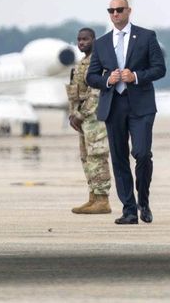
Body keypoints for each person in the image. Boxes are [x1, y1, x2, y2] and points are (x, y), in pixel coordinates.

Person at [86, 0, 166, 225]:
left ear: (128, 11)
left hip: (141, 105)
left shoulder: (147, 36)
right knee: (119, 159)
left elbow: (160, 69)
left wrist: (136, 76)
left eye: (119, 10)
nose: (115, 14)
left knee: (141, 153)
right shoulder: (101, 43)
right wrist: (107, 79)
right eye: (111, 11)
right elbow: (90, 76)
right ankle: (129, 209)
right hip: (114, 105)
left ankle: (144, 200)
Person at [66, 27, 112, 215]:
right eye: (79, 39)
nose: (81, 42)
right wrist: (73, 113)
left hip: (94, 117)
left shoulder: (97, 61)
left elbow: (97, 92)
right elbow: (77, 92)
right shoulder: (82, 62)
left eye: (85, 39)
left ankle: (103, 199)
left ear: (94, 40)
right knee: (86, 158)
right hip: (83, 119)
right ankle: (93, 196)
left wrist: (81, 114)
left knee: (97, 156)